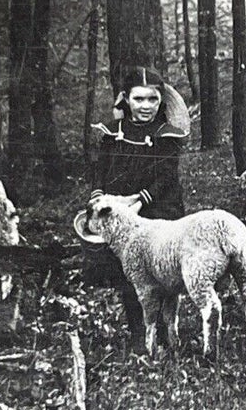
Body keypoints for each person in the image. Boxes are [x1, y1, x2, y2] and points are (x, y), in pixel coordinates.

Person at [80, 66, 188, 343]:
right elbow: (100, 170)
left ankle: (166, 333)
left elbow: (166, 177)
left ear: (160, 100)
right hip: (120, 213)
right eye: (138, 99)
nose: (146, 106)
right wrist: (98, 197)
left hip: (158, 208)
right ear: (125, 99)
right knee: (130, 274)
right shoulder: (112, 132)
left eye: (152, 99)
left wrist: (139, 201)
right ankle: (139, 333)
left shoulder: (167, 134)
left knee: (162, 270)